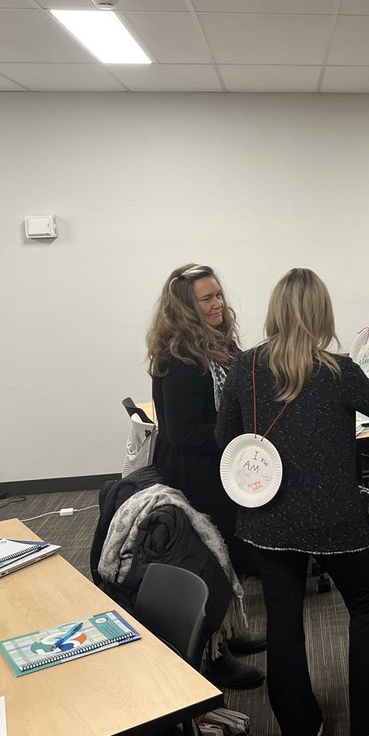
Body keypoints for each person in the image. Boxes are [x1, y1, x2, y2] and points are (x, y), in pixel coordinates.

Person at [216, 268, 369, 736]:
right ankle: (367, 722)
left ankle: (298, 735)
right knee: (365, 606)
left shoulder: (246, 368)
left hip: (268, 520)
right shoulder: (338, 369)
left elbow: (227, 440)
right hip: (334, 522)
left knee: (284, 620)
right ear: (321, 313)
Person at [146, 262, 265, 689]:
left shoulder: (219, 344)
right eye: (207, 298)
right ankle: (214, 657)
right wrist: (234, 431)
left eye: (218, 295)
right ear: (184, 307)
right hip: (195, 473)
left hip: (219, 466)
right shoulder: (180, 356)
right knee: (210, 562)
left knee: (226, 555)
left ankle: (229, 637)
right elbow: (179, 432)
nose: (218, 303)